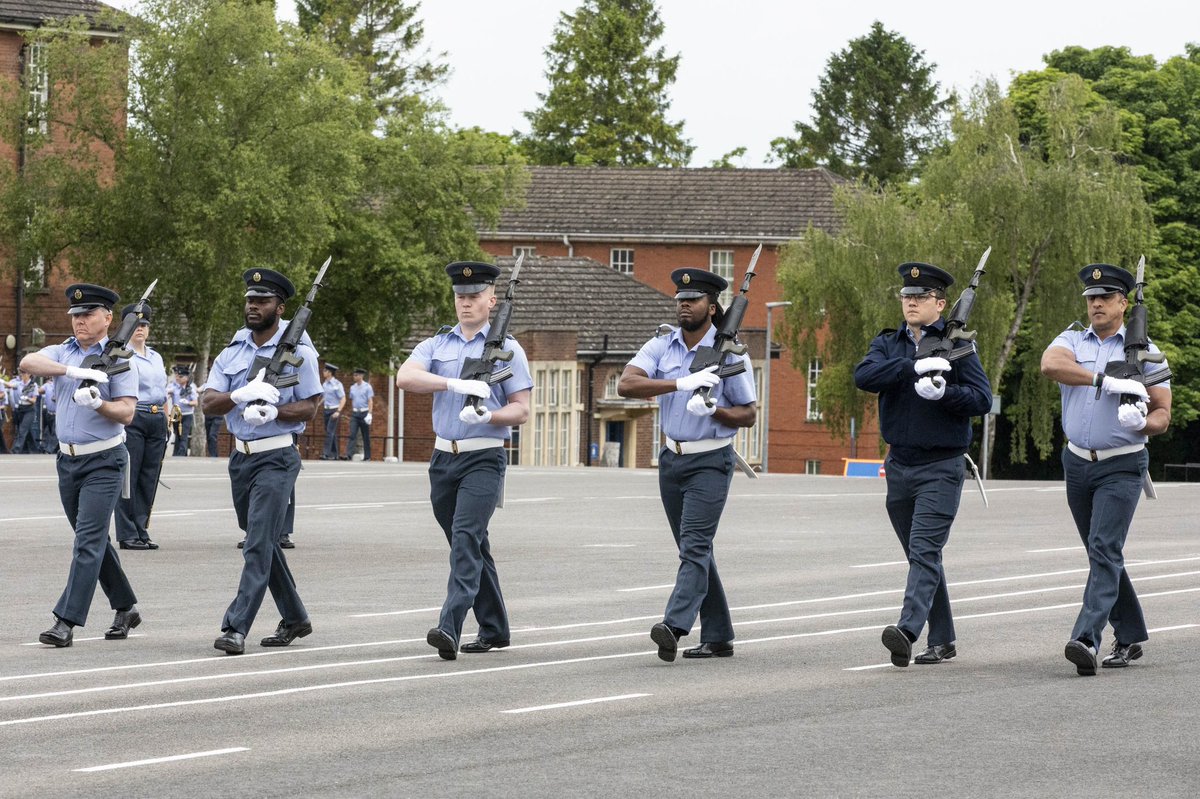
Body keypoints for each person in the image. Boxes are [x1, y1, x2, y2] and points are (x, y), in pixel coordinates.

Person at [853, 262, 992, 668]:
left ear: (941, 303)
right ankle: (944, 638)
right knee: (921, 557)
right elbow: (864, 375)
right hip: (899, 465)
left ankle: (908, 630)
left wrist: (945, 392)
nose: (911, 302)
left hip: (941, 465)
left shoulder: (957, 343)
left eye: (920, 297)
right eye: (906, 296)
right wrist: (911, 366)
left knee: (924, 549)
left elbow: (981, 399)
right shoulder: (889, 342)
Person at [617, 268, 757, 662]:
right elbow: (627, 384)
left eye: (692, 300)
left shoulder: (731, 353)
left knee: (694, 547)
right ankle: (719, 635)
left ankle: (674, 625)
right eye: (679, 299)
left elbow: (748, 414)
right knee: (694, 548)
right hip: (671, 460)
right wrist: (679, 384)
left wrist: (716, 410)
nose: (682, 305)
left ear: (712, 308)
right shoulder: (663, 346)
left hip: (710, 461)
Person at [395, 261, 532, 660]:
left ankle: (449, 626)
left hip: (484, 458)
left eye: (474, 297)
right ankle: (495, 629)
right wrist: (454, 383)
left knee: (465, 540)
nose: (466, 303)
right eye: (460, 297)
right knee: (470, 545)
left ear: (492, 299)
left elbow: (521, 409)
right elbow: (406, 377)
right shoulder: (438, 343)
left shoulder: (509, 349)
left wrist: (489, 415)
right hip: (443, 459)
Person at [1040, 263, 1172, 676]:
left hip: (1122, 464)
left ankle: (1086, 638)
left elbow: (1163, 414)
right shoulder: (1073, 339)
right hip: (1077, 461)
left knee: (1103, 549)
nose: (1095, 303)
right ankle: (1130, 634)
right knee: (1103, 552)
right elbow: (1050, 365)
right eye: (1091, 298)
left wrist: (1142, 424)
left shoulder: (1147, 350)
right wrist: (1103, 381)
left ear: (1123, 303)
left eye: (1104, 297)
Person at [201, 268, 320, 655]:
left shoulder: (299, 352)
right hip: (240, 458)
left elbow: (312, 405)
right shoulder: (232, 351)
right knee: (262, 540)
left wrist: (277, 413)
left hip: (277, 457)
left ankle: (236, 627)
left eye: (262, 301)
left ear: (280, 307)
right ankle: (296, 617)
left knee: (255, 544)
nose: (253, 306)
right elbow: (208, 402)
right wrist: (240, 395)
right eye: (250, 300)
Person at [19, 283, 143, 647]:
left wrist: (98, 404)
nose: (79, 321)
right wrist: (71, 373)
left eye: (87, 314)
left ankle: (65, 621)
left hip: (104, 460)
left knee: (87, 541)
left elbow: (127, 412)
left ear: (108, 318)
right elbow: (27, 362)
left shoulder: (121, 357)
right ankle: (125, 607)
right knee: (92, 540)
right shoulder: (65, 351)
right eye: (75, 315)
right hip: (67, 461)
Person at [114, 304, 169, 551]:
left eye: (144, 325)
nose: (141, 329)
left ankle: (141, 529)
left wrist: (166, 422)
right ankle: (127, 533)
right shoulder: (121, 355)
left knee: (149, 478)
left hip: (156, 418)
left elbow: (163, 393)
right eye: (136, 325)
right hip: (134, 418)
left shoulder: (155, 357)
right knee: (129, 477)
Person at [166, 364, 198, 456]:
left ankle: (181, 455)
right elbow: (167, 393)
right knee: (177, 435)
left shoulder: (191, 387)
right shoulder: (174, 386)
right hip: (176, 413)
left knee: (184, 435)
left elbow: (195, 402)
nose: (178, 378)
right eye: (177, 376)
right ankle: (176, 454)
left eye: (180, 377)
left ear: (187, 377)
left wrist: (187, 402)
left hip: (187, 414)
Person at [8, 369, 42, 453]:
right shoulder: (19, 384)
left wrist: (27, 398)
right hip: (20, 409)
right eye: (21, 373)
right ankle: (33, 450)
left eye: (24, 373)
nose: (22, 374)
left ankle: (16, 449)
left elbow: (34, 400)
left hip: (29, 409)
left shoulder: (33, 385)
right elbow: (9, 385)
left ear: (29, 374)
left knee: (22, 429)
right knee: (26, 430)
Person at [346, 367, 374, 460]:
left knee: (365, 435)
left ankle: (367, 456)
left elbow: (370, 401)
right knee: (352, 434)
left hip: (364, 412)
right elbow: (352, 400)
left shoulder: (367, 387)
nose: (354, 376)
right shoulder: (352, 387)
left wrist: (370, 413)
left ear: (361, 376)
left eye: (356, 375)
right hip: (355, 413)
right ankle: (349, 454)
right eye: (354, 375)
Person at [320, 363, 345, 460]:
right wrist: (318, 404)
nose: (323, 372)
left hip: (334, 410)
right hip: (326, 409)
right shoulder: (325, 384)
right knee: (331, 432)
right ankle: (335, 454)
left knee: (329, 432)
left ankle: (326, 453)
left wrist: (338, 411)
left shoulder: (337, 384)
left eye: (325, 371)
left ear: (330, 373)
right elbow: (324, 397)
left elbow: (343, 398)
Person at [41, 376, 58, 453]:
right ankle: (45, 447)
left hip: (58, 413)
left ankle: (50, 449)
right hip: (48, 413)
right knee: (48, 431)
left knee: (55, 432)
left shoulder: (60, 385)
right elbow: (39, 391)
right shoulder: (47, 385)